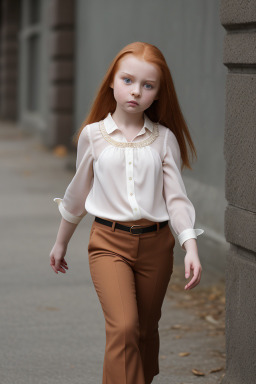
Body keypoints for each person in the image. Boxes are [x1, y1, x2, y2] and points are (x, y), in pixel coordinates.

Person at [49, 41, 204, 384]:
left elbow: (176, 199)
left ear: (158, 94)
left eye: (148, 86)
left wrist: (189, 245)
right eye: (128, 80)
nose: (136, 91)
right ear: (111, 82)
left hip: (157, 246)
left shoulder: (164, 139)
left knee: (145, 332)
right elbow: (77, 194)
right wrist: (60, 243)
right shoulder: (93, 136)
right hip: (108, 243)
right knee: (124, 327)